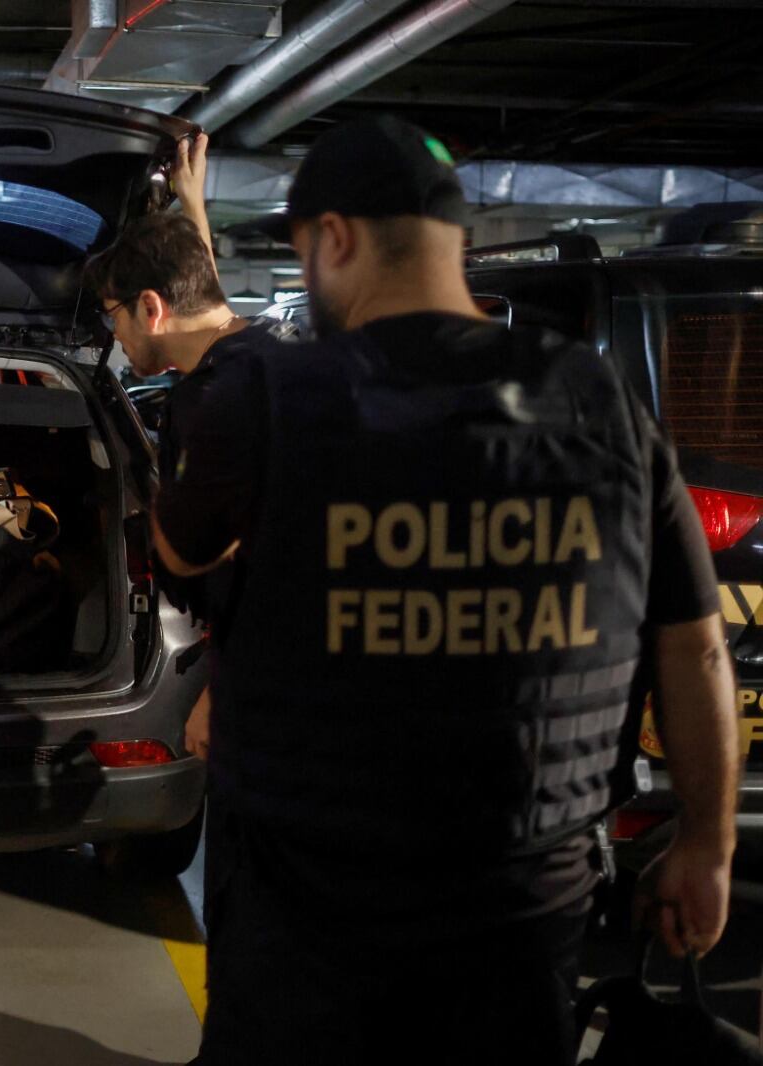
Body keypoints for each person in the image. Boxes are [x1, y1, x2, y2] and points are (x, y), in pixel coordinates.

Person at [153, 115, 738, 1065]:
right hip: (522, 918)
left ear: (334, 239)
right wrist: (706, 843)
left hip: (309, 923)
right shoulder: (602, 406)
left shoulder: (272, 399)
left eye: (306, 255)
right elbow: (695, 644)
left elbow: (181, 556)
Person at [86, 132, 290, 761]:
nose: (114, 336)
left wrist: (218, 695)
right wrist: (190, 206)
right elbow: (199, 294)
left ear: (149, 309)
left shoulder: (211, 405)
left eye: (111, 315)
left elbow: (270, 571)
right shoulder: (268, 347)